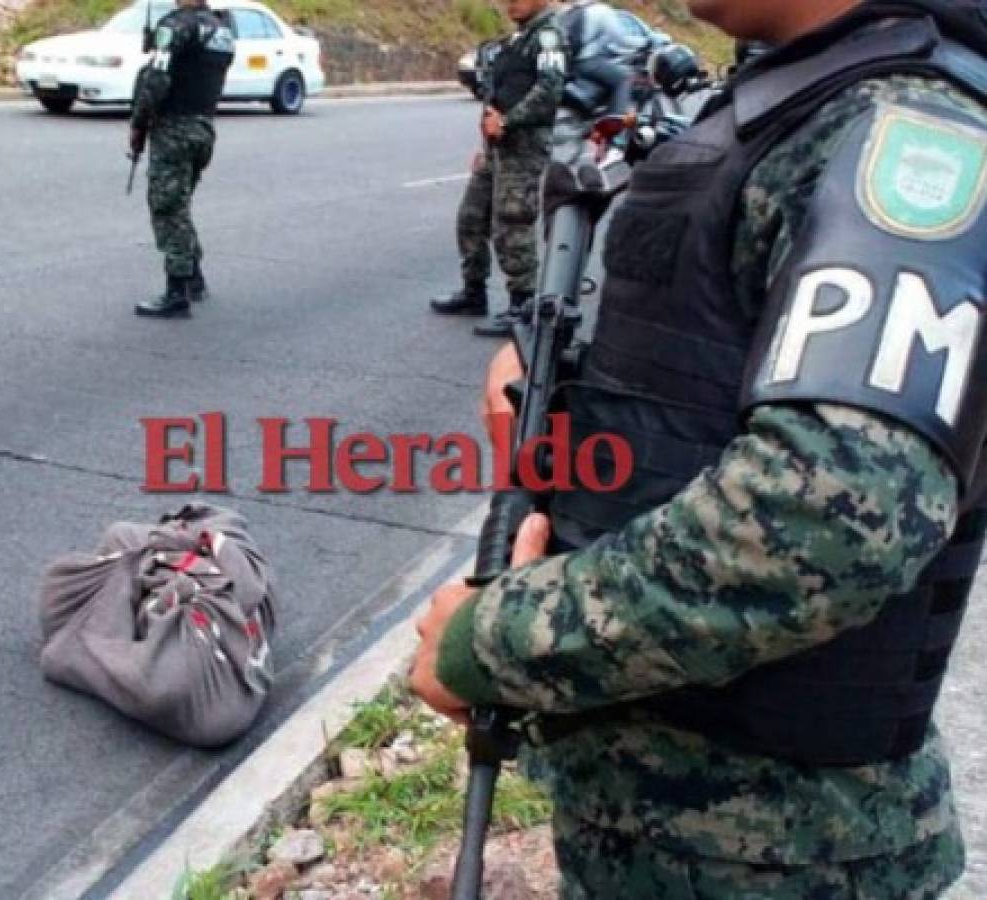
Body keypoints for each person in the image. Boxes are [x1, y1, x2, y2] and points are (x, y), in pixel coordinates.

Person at [412, 0, 987, 895]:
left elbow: (829, 519)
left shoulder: (910, 133)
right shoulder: (797, 92)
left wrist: (496, 640)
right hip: (678, 827)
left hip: (777, 850)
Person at [429, 0, 565, 339]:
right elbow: (500, 94)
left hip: (523, 149)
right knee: (471, 217)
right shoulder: (518, 39)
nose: (510, 3)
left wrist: (507, 121)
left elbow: (550, 90)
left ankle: (523, 305)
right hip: (498, 148)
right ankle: (473, 292)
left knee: (513, 223)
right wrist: (487, 145)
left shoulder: (548, 37)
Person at [130, 0, 234, 319]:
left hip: (174, 128)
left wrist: (139, 123)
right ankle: (194, 277)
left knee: (168, 208)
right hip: (204, 127)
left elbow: (157, 79)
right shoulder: (221, 29)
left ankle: (177, 292)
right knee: (180, 205)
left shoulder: (175, 26)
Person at [559, 0, 645, 117]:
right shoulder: (604, 12)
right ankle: (614, 120)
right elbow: (621, 40)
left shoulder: (580, 5)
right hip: (582, 62)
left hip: (565, 58)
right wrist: (644, 42)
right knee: (625, 78)